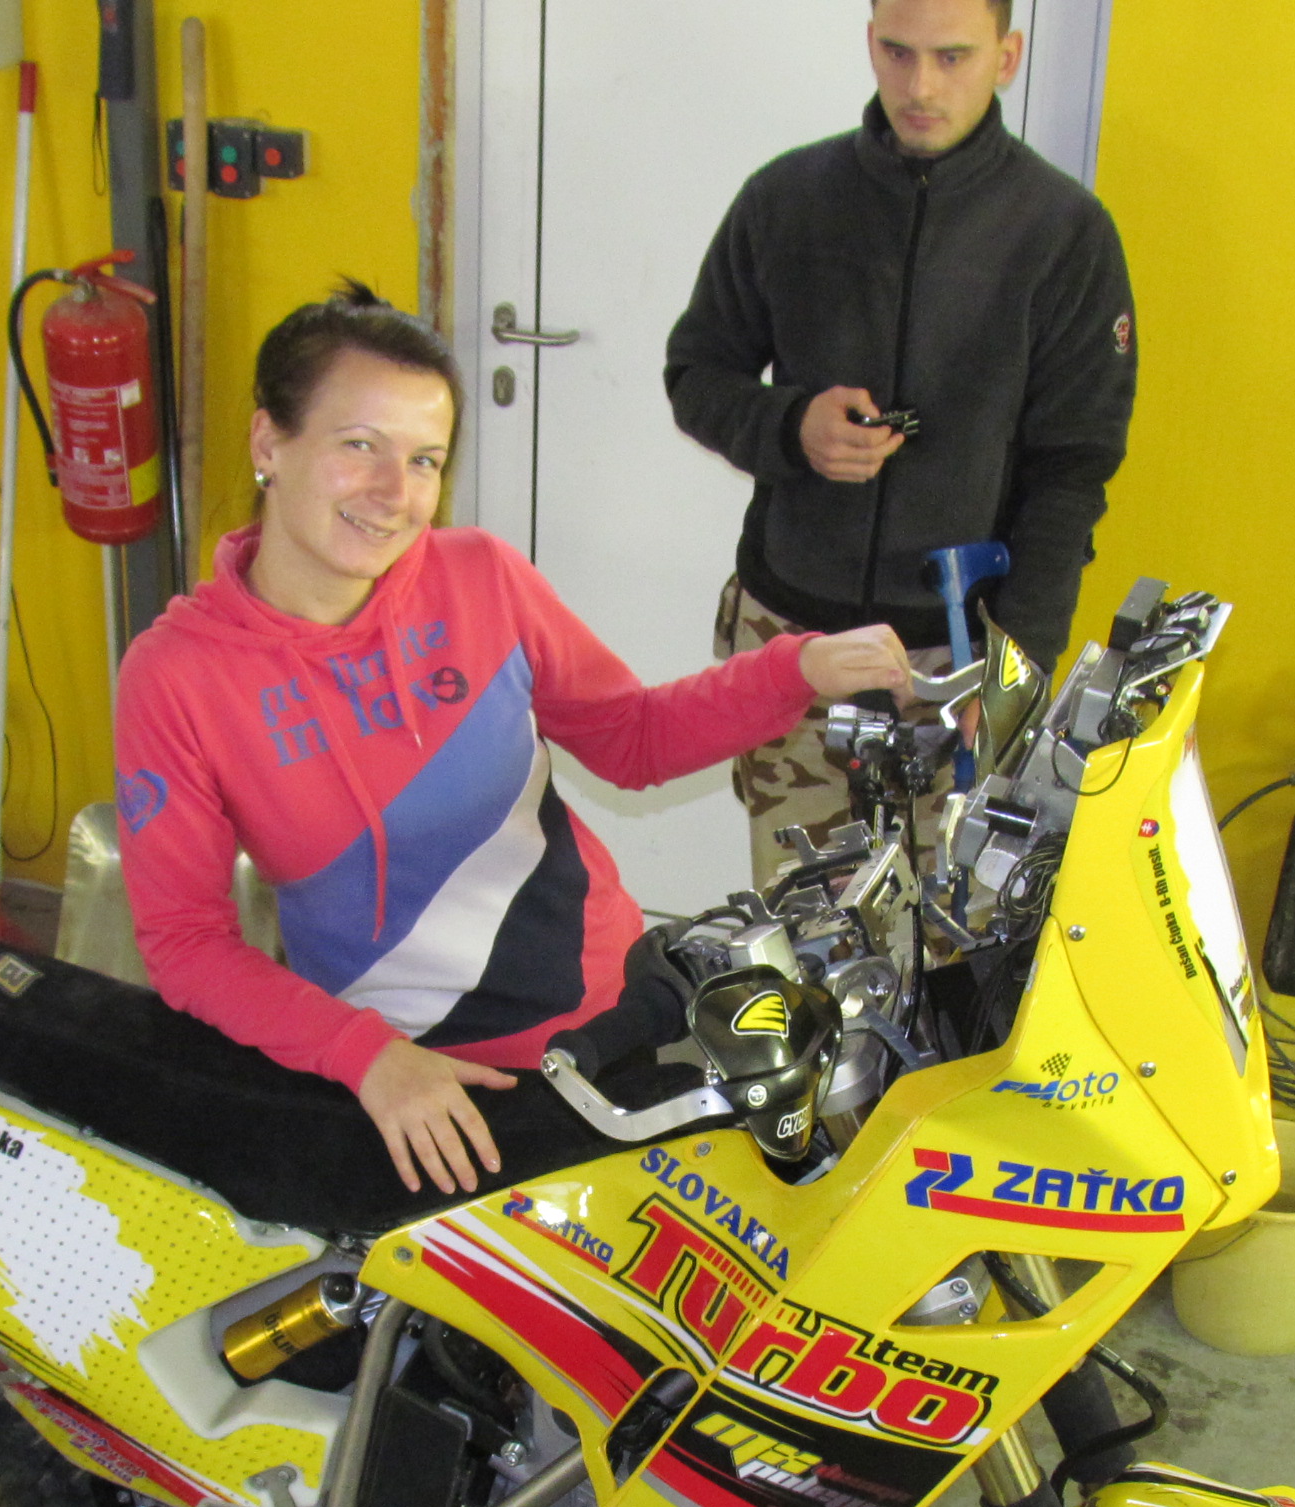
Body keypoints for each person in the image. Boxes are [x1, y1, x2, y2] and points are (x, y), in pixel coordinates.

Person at [117, 284, 911, 1200]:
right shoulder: (177, 676)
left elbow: (632, 738)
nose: (394, 494)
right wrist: (364, 1056)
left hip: (619, 1018)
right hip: (424, 1080)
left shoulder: (479, 578)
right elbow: (186, 942)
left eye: (424, 460)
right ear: (269, 443)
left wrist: (796, 669)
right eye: (359, 445)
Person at [666, 0, 1136, 876]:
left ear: (1007, 57)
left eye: (953, 57)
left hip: (959, 662)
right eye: (898, 52)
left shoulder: (1064, 233)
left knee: (952, 940)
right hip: (795, 646)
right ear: (870, 44)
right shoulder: (786, 197)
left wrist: (1017, 668)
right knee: (802, 926)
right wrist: (790, 426)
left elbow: (1073, 469)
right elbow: (696, 374)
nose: (920, 86)